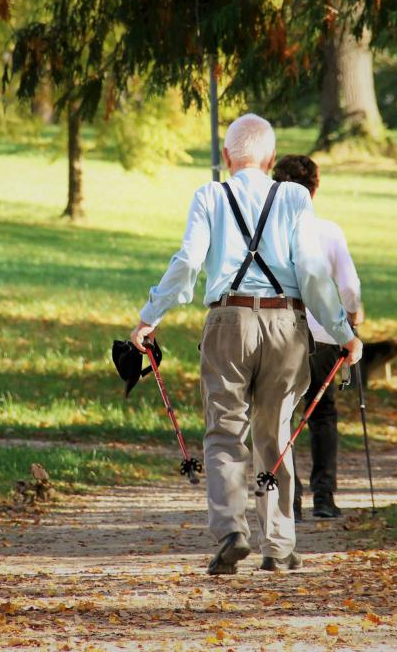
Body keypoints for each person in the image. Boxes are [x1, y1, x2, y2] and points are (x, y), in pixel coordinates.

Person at [130, 114, 363, 576]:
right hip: (286, 323)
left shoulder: (210, 195)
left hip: (227, 321)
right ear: (271, 159)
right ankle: (278, 545)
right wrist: (343, 333)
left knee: (223, 430)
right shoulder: (295, 197)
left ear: (226, 158)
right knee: (276, 433)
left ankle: (231, 531)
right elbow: (314, 275)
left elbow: (188, 263)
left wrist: (148, 318)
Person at [272, 155, 363, 520]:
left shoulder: (271, 232)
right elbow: (349, 286)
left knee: (282, 413)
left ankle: (289, 500)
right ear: (315, 188)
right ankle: (324, 496)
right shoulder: (328, 231)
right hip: (325, 334)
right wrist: (353, 315)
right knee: (323, 413)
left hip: (281, 332)